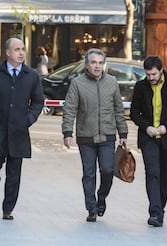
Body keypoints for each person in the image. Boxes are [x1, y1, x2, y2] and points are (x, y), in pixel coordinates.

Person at [0, 38, 44, 220]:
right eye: (17, 49)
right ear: (8, 53)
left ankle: (8, 209)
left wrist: (29, 119)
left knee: (14, 174)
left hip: (19, 132)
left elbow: (39, 101)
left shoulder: (31, 75)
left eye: (23, 49)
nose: (21, 53)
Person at [62, 48, 128, 222]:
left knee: (108, 170)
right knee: (89, 173)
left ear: (103, 64)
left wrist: (123, 132)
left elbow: (118, 109)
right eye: (93, 62)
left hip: (108, 136)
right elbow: (70, 109)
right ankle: (91, 207)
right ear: (86, 65)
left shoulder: (112, 82)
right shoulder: (78, 83)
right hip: (86, 137)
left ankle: (102, 196)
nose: (97, 66)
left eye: (100, 62)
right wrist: (67, 132)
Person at [130, 56, 167, 227]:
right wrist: (146, 126)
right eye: (148, 75)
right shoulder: (141, 87)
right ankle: (155, 212)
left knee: (165, 175)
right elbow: (134, 112)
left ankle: (160, 209)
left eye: (154, 74)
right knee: (152, 172)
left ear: (161, 70)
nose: (151, 78)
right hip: (148, 138)